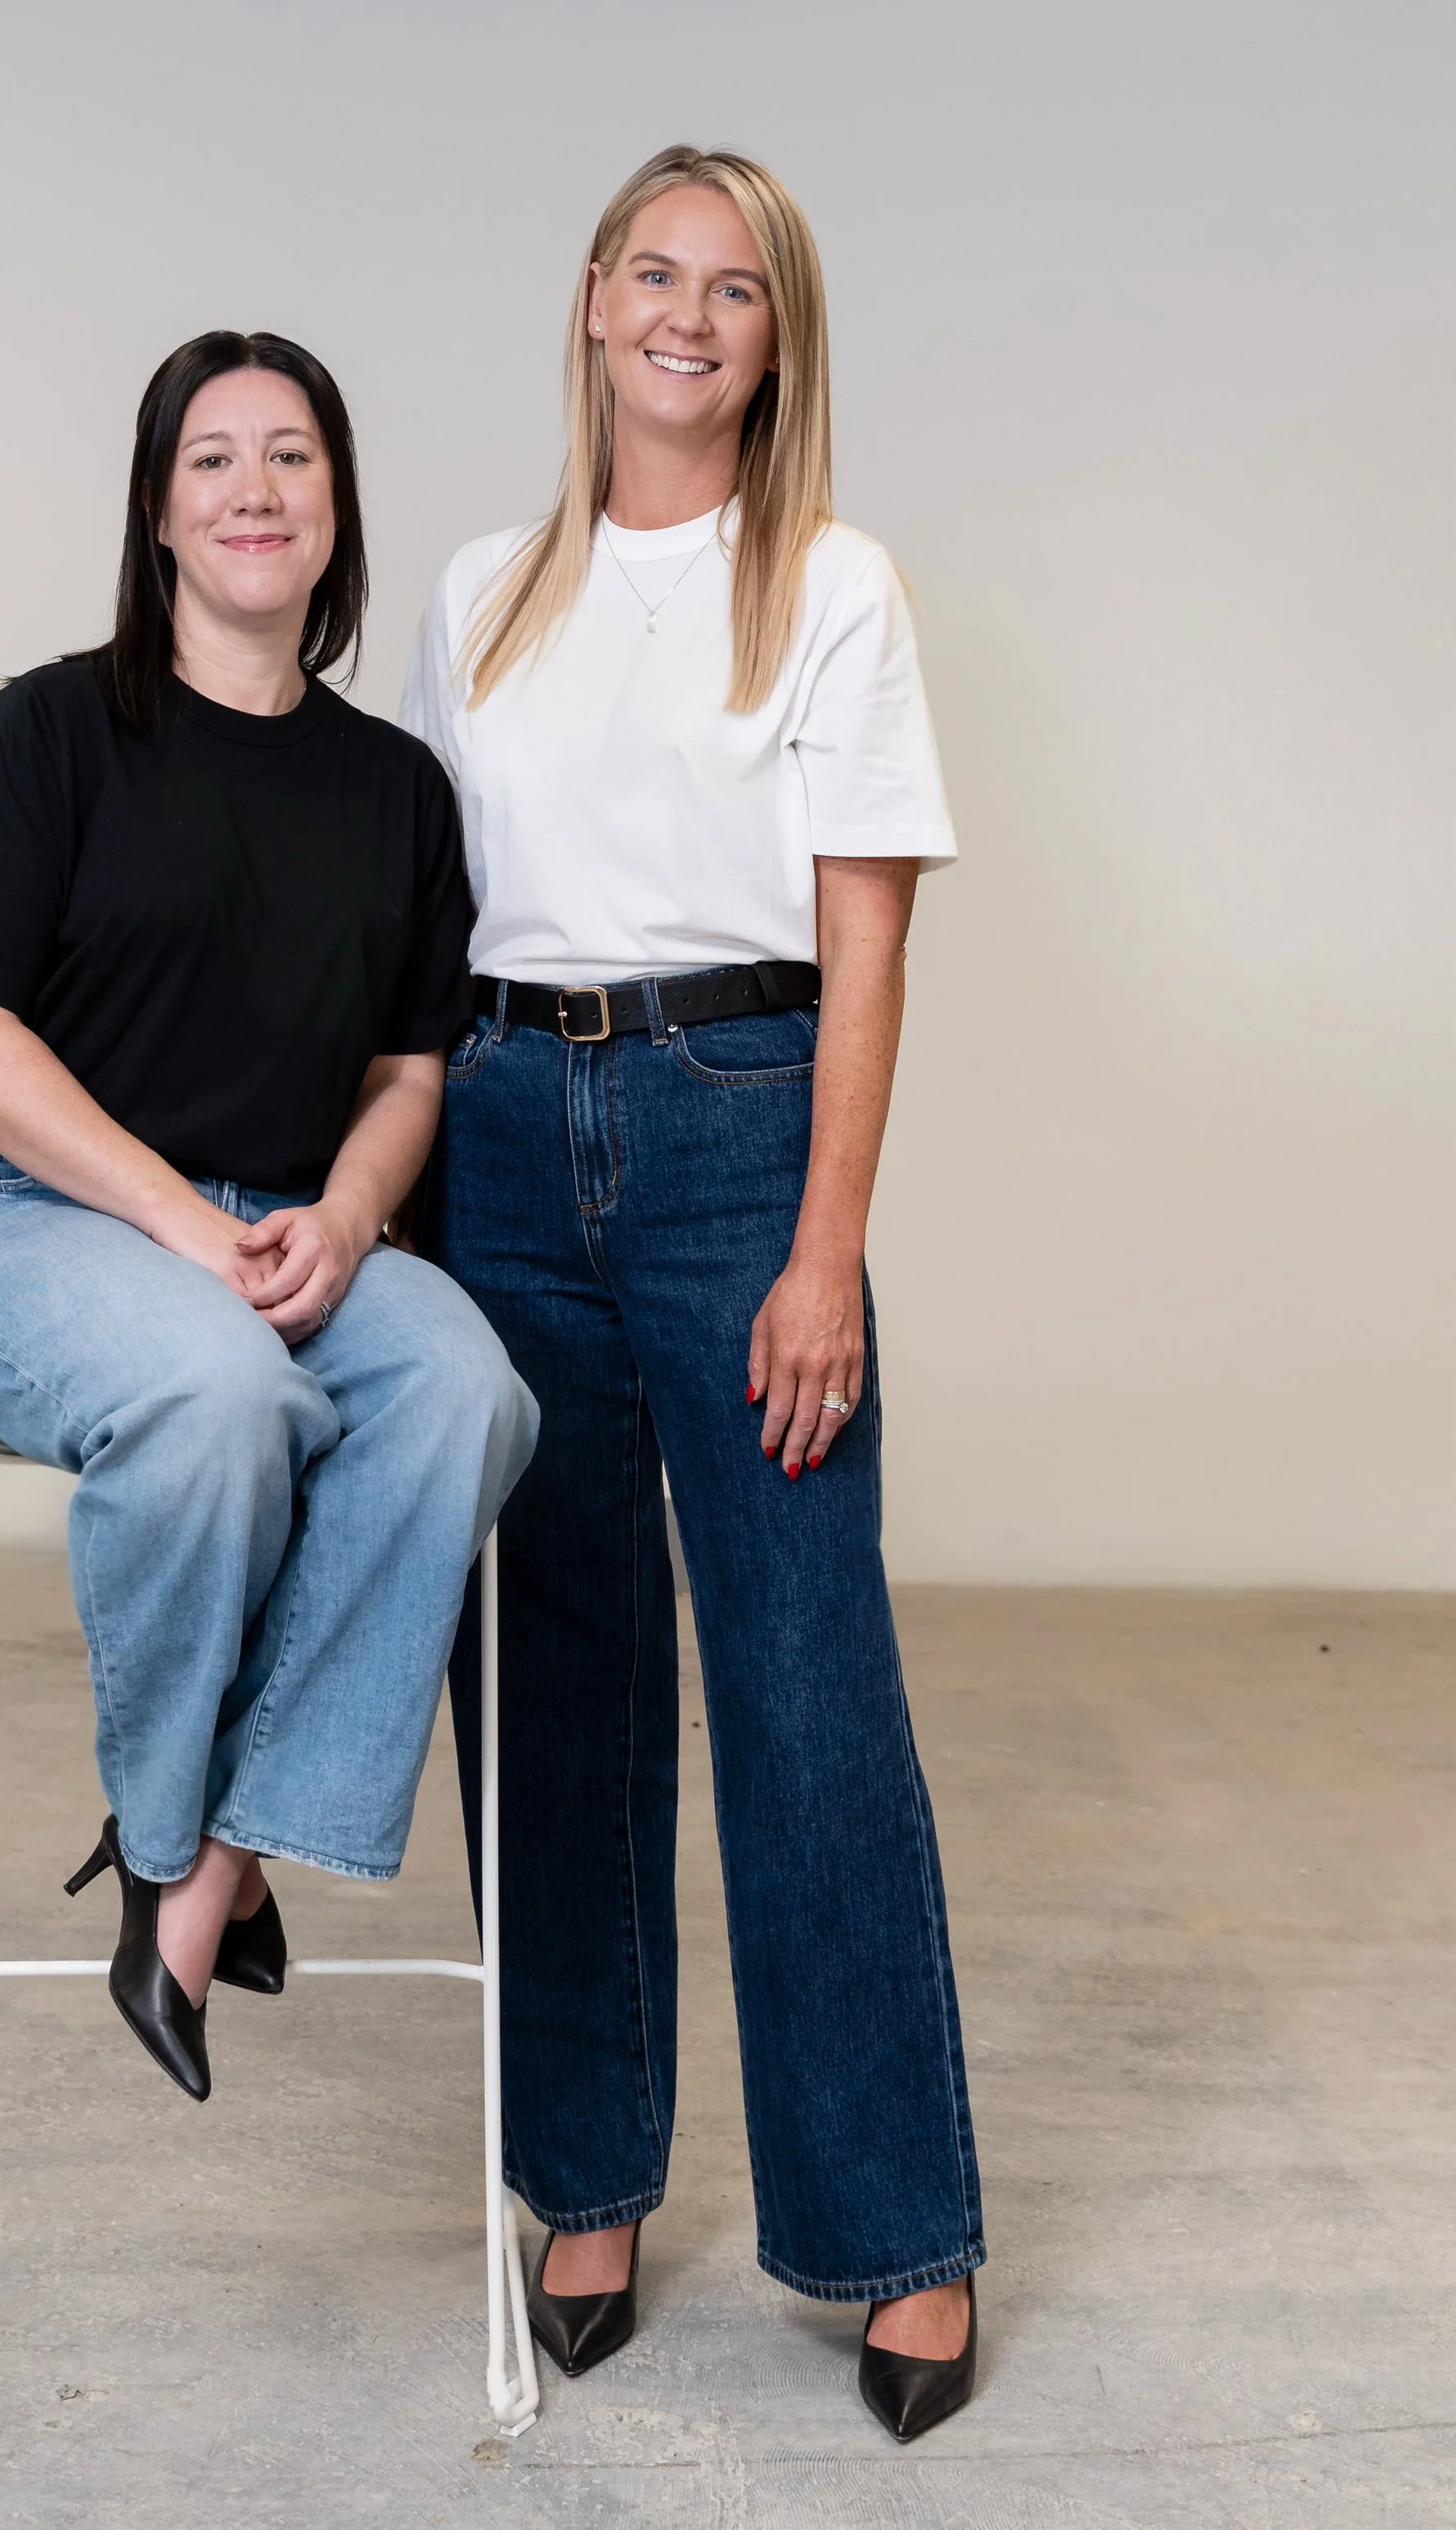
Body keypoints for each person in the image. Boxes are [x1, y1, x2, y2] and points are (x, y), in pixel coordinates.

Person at [403, 146, 982, 2443]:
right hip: (500, 1129)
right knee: (548, 1678)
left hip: (740, 1122)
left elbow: (864, 930)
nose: (685, 312)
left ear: (772, 339)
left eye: (731, 288)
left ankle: (892, 2223)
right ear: (585, 303)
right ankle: (582, 2173)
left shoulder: (825, 583)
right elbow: (417, 916)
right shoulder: (477, 587)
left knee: (802, 1678)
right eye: (653, 269)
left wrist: (825, 1237)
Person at [0, 329, 537, 2106]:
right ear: (158, 510)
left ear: (336, 511)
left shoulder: (392, 789)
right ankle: (166, 1841)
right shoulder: (55, 728)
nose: (255, 490)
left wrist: (349, 1210)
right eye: (214, 458)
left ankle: (222, 1859)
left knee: (470, 1391)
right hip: (18, 1229)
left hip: (280, 1231)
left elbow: (410, 1066)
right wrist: (175, 1219)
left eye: (292, 457)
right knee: (220, 1391)